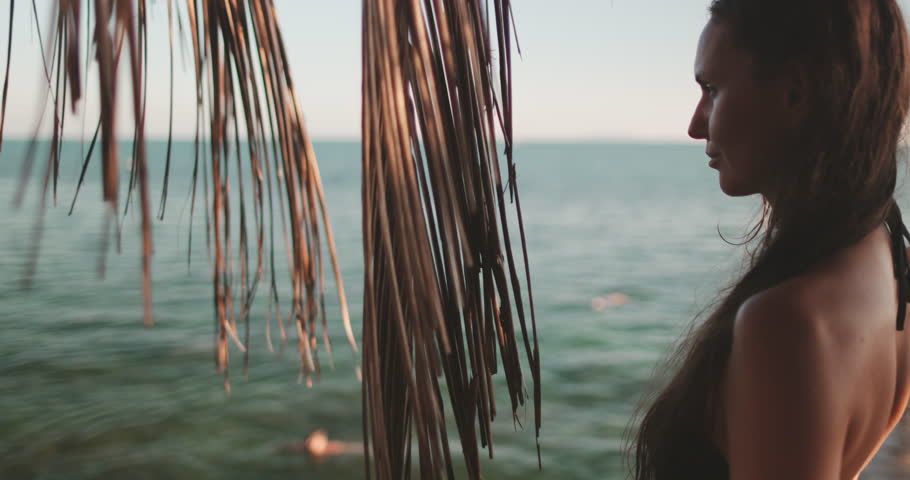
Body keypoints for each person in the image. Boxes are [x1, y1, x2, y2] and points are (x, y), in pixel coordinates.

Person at [629, 1, 910, 479]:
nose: (696, 125)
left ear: (796, 93)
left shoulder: (785, 323)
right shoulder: (893, 252)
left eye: (713, 90)